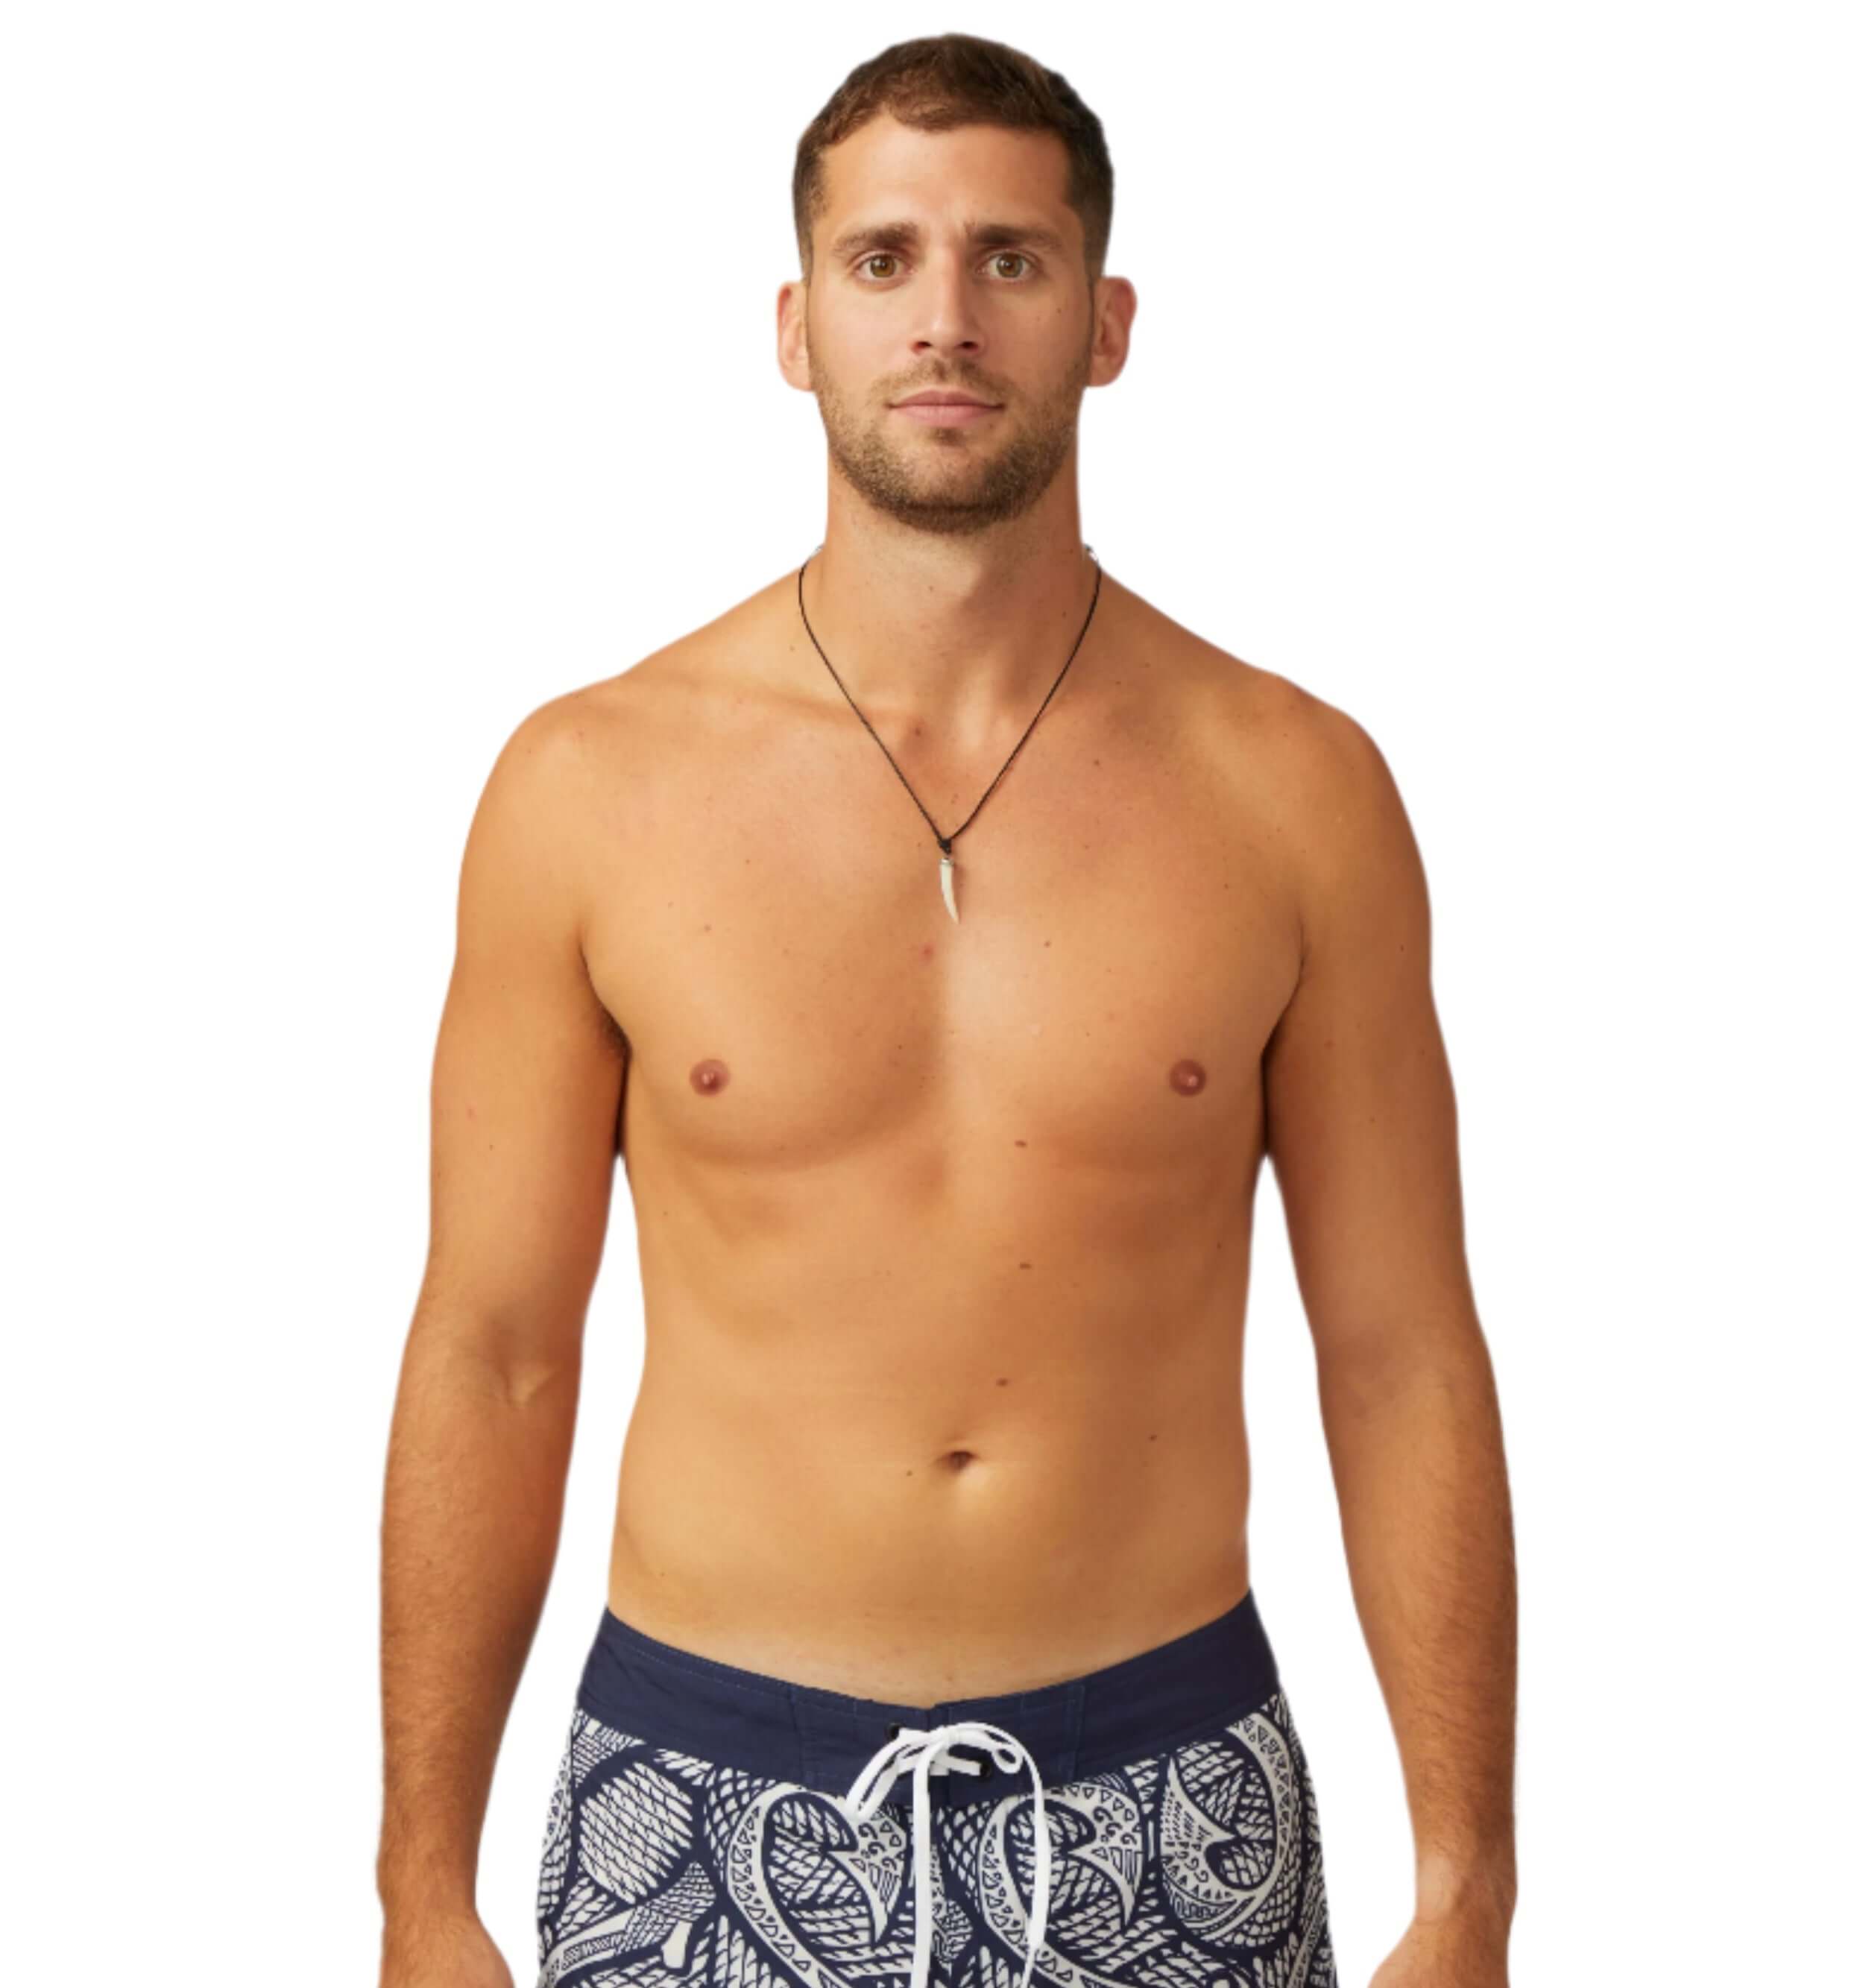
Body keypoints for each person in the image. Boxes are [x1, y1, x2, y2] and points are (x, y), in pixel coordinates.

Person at [374, 31, 1516, 1988]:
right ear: (795, 325)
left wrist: (1467, 1887)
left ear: (1107, 321)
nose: (945, 318)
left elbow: (1401, 1349)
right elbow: (492, 1350)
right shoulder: (589, 787)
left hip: (1167, 1799)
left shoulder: (1292, 790)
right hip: (698, 1796)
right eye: (883, 258)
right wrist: (419, 1889)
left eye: (1011, 257)